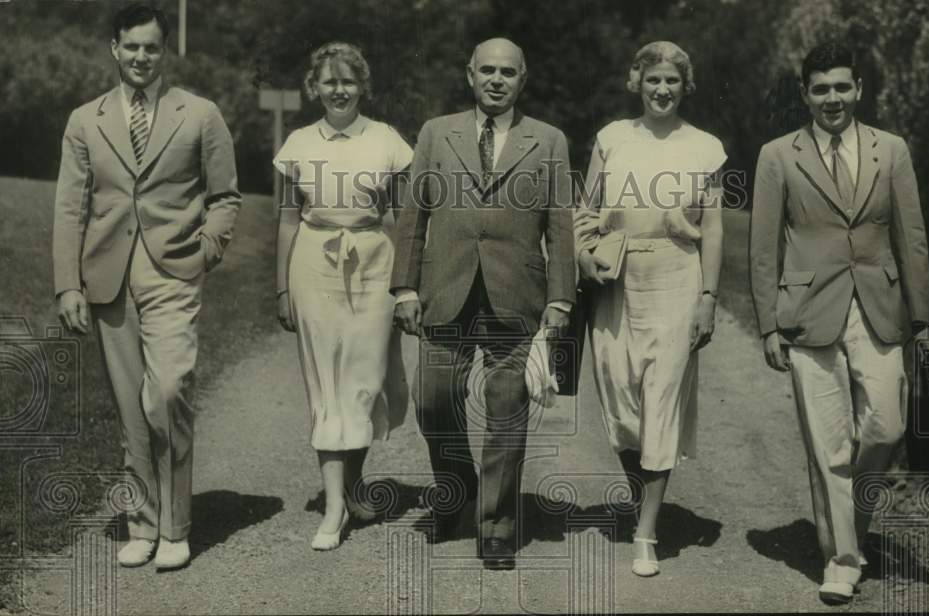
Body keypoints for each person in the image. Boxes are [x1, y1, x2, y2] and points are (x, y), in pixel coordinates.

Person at [52, 3, 241, 570]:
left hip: (173, 272)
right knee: (131, 409)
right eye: (131, 46)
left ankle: (176, 527)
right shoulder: (85, 120)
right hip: (108, 279)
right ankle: (143, 522)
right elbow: (69, 208)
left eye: (151, 47)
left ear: (165, 52)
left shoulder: (200, 114)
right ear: (115, 49)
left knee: (167, 392)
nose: (141, 57)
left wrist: (205, 251)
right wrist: (68, 285)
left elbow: (225, 196)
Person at [749, 41, 929, 604]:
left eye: (842, 87)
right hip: (807, 312)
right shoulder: (777, 155)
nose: (832, 99)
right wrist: (768, 325)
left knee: (886, 428)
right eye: (821, 89)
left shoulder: (891, 150)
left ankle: (848, 521)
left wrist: (923, 318)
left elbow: (912, 236)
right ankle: (842, 560)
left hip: (880, 306)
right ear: (805, 94)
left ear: (859, 89)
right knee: (828, 443)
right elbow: (762, 248)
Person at [390, 38, 575, 570]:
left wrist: (561, 299)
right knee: (432, 400)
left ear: (523, 79)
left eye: (507, 72)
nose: (497, 80)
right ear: (470, 75)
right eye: (487, 70)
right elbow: (414, 216)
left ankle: (496, 524)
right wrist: (405, 288)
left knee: (506, 410)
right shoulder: (436, 133)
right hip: (445, 289)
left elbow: (560, 226)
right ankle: (458, 490)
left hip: (516, 294)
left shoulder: (549, 140)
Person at [575, 41, 725, 578]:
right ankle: (644, 496)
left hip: (676, 277)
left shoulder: (706, 148)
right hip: (617, 279)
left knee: (661, 399)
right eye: (653, 79)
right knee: (620, 400)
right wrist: (583, 255)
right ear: (636, 81)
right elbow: (586, 211)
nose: (662, 90)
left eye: (672, 81)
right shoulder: (612, 138)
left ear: (686, 86)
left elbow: (713, 230)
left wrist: (709, 297)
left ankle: (646, 531)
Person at [273, 42, 411, 551]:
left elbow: (402, 219)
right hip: (314, 264)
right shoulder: (298, 144)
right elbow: (287, 220)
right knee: (326, 384)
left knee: (364, 383)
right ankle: (334, 507)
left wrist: (405, 286)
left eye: (348, 81)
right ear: (314, 87)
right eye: (329, 81)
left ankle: (353, 484)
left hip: (374, 265)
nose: (339, 90)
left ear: (362, 86)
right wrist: (282, 287)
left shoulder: (387, 140)